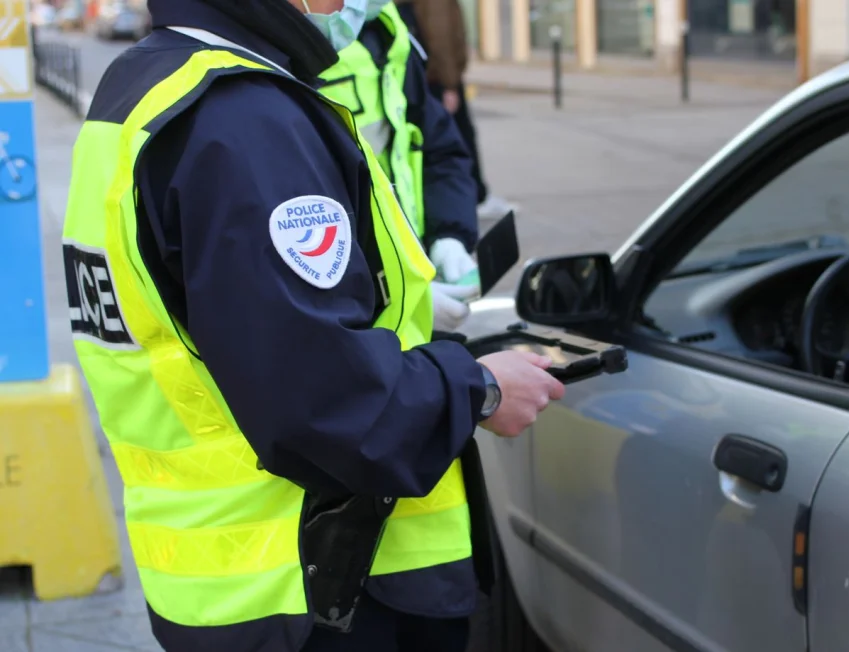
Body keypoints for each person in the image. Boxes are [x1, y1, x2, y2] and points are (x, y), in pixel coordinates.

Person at [60, 1, 565, 651]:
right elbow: (326, 401)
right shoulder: (242, 118)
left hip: (228, 583)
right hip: (326, 585)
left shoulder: (145, 86)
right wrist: (480, 388)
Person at [318, 0, 479, 332]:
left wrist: (449, 233)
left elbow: (437, 147)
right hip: (355, 317)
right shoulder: (285, 52)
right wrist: (392, 290)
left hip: (411, 277)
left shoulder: (387, 30)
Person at [394, 0, 518, 222]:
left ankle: (472, 196)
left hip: (433, 77)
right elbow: (440, 34)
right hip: (439, 79)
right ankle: (475, 197)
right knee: (455, 140)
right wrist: (449, 84)